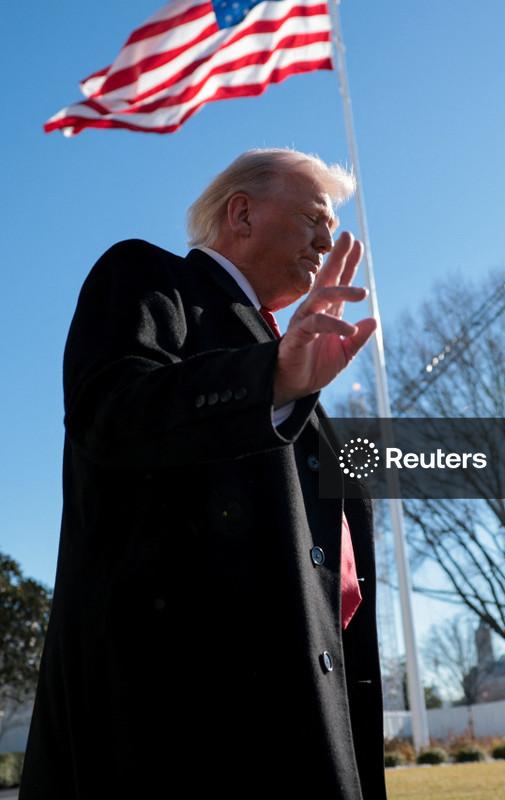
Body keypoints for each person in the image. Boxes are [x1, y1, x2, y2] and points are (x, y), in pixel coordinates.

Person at [19, 148, 387, 800]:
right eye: (311, 218)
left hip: (303, 730)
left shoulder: (292, 366)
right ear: (240, 213)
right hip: (180, 736)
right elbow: (111, 415)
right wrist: (268, 378)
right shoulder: (147, 278)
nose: (327, 240)